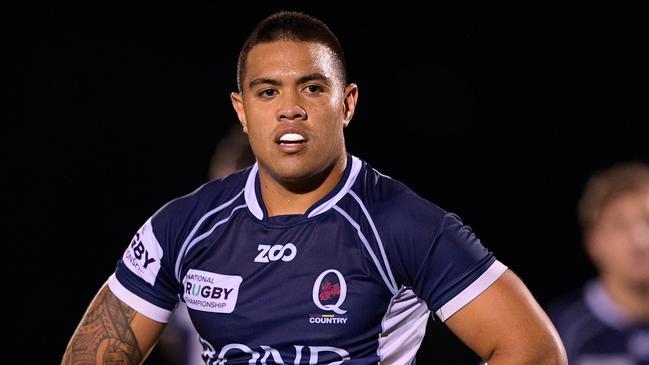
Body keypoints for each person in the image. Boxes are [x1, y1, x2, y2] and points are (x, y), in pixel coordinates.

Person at [61, 11, 567, 364]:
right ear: (242, 110)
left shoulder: (404, 224)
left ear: (346, 104)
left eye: (311, 87)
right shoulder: (184, 224)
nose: (289, 107)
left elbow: (536, 352)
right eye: (267, 91)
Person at [547, 161, 649, 365]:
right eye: (620, 226)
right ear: (593, 242)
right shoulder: (559, 329)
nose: (640, 241)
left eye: (648, 221)